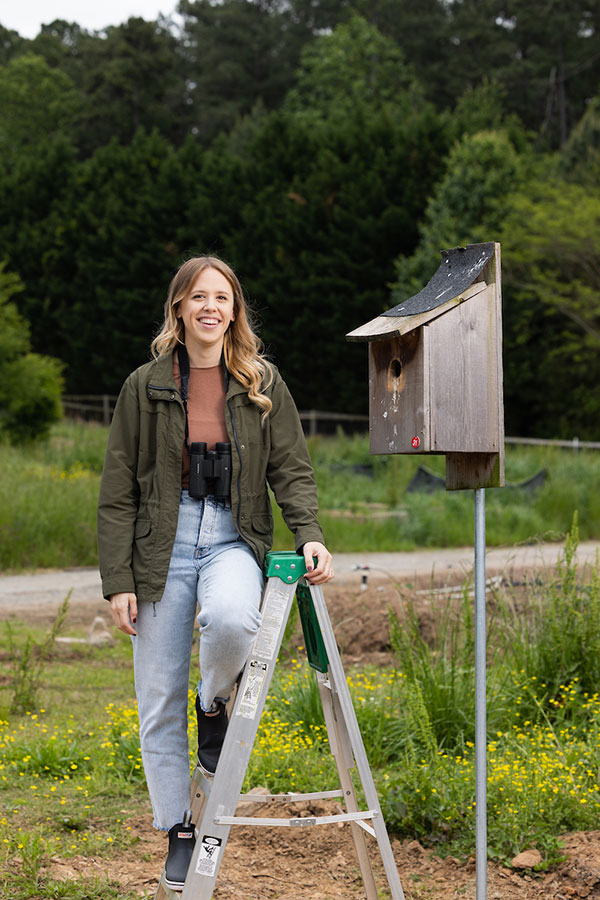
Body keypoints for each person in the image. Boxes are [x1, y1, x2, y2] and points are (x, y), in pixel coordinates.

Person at [97, 255, 334, 890]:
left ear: (235, 310)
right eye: (198, 297)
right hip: (159, 548)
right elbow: (118, 488)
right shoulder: (143, 387)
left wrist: (308, 534)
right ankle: (178, 828)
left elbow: (292, 470)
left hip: (232, 536)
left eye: (222, 298)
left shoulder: (262, 381)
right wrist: (118, 578)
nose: (211, 308)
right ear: (178, 307)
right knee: (157, 699)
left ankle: (214, 703)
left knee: (234, 620)